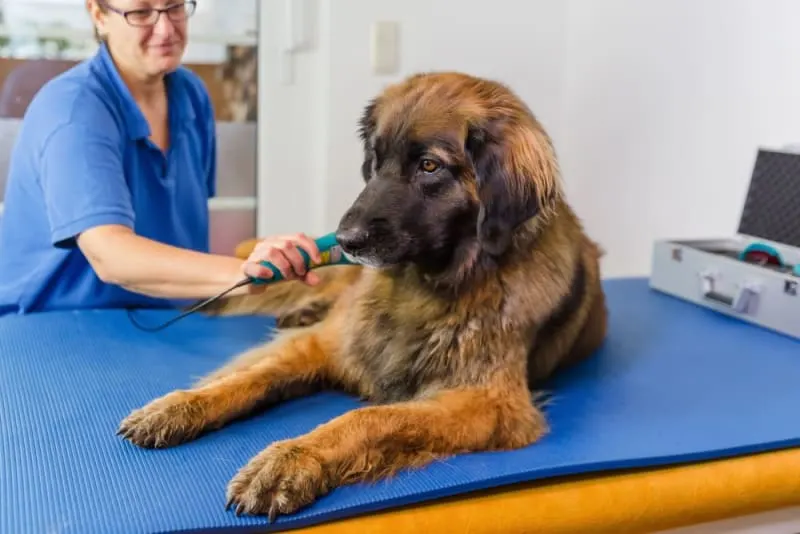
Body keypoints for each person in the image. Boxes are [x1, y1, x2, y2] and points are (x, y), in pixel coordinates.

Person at [0, 0, 321, 316]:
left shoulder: (191, 95)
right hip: (50, 323)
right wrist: (245, 272)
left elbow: (180, 232)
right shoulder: (73, 112)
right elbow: (110, 257)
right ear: (98, 14)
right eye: (141, 12)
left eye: (174, 7)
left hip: (164, 315)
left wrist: (262, 263)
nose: (166, 29)